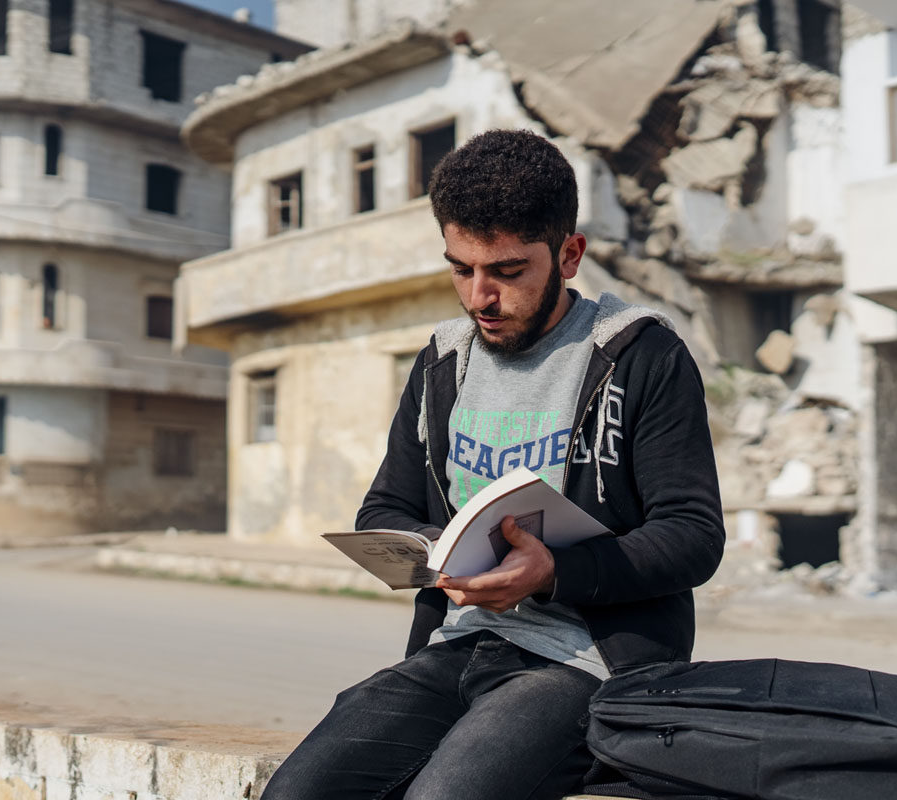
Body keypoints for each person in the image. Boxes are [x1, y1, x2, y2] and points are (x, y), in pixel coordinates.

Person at [261, 129, 724, 800]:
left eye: (507, 272)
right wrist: (437, 553)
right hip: (456, 645)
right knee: (296, 794)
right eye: (461, 269)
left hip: (582, 664)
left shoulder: (639, 355)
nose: (480, 297)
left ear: (569, 255)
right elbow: (384, 507)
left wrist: (552, 572)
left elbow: (692, 535)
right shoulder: (443, 361)